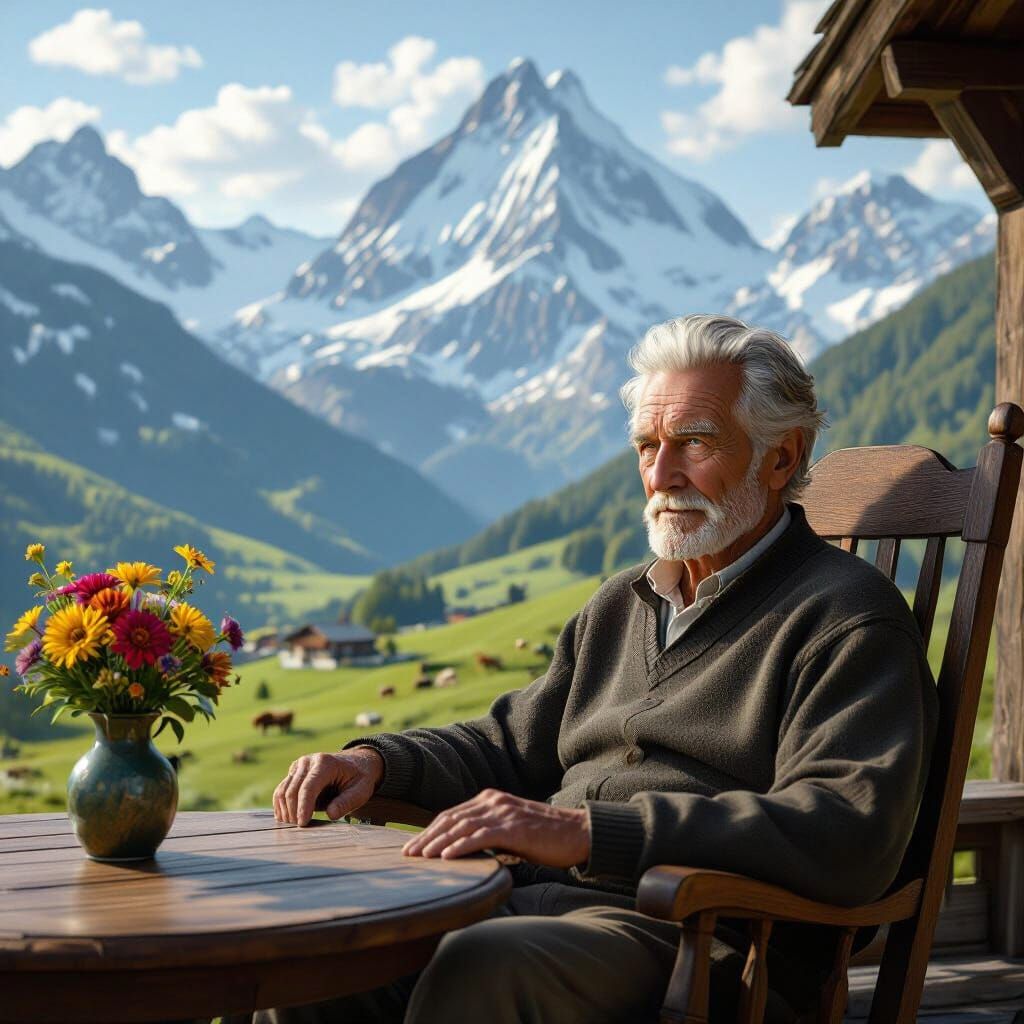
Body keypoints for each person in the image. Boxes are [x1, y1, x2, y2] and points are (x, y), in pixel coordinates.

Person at [256, 314, 938, 1023]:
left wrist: (593, 833)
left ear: (780, 457)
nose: (662, 474)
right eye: (648, 445)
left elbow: (845, 831)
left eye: (694, 443)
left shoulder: (847, 618)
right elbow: (509, 743)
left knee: (484, 966)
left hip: (702, 941)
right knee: (316, 955)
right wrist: (377, 763)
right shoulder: (625, 602)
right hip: (529, 908)